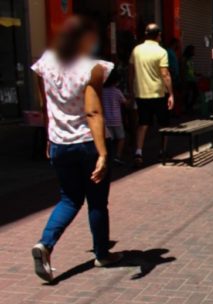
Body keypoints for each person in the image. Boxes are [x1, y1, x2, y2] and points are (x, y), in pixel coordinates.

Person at [30, 15, 121, 282]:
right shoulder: (90, 68)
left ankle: (45, 244)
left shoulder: (46, 63)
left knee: (69, 199)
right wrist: (103, 153)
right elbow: (93, 112)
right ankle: (102, 254)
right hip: (86, 143)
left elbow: (45, 104)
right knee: (96, 202)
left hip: (59, 142)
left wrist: (49, 136)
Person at [129, 23, 174, 167]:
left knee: (142, 124)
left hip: (141, 93)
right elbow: (165, 74)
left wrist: (131, 90)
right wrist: (171, 94)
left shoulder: (136, 50)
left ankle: (138, 152)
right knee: (164, 124)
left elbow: (131, 72)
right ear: (158, 35)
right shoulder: (161, 52)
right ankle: (162, 151)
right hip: (159, 93)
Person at [102, 69, 130, 165]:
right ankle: (118, 156)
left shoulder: (102, 91)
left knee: (109, 140)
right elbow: (125, 103)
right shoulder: (117, 91)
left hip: (106, 120)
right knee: (121, 138)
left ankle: (107, 156)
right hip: (117, 120)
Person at [180, 45, 198, 114]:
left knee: (195, 93)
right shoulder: (184, 59)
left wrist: (196, 74)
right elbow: (183, 69)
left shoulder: (191, 59)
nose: (194, 52)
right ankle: (187, 108)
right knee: (186, 94)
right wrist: (183, 79)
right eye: (193, 50)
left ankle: (189, 107)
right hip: (187, 79)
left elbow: (191, 69)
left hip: (192, 79)